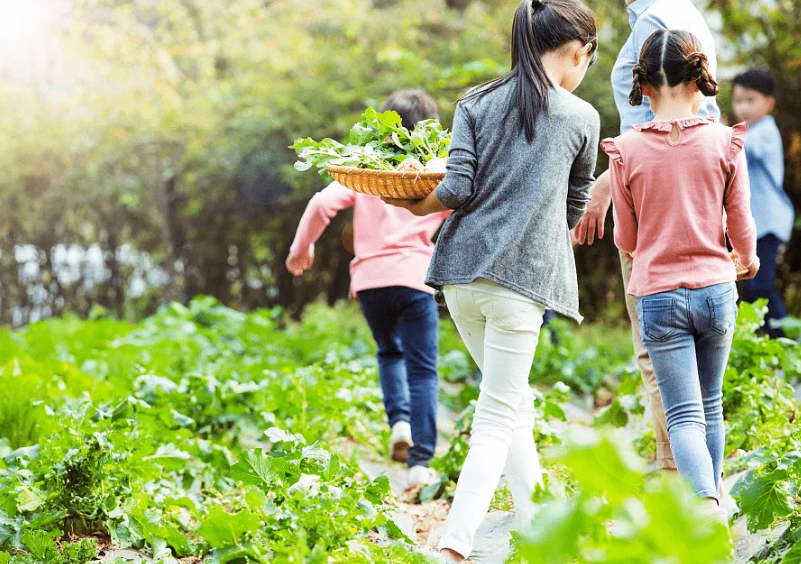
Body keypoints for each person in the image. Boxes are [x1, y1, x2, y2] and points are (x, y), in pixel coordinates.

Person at [383, 1, 600, 560]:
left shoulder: (476, 102)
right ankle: (456, 541)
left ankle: (538, 529)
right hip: (521, 285)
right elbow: (575, 205)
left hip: (459, 277)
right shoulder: (582, 117)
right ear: (579, 51)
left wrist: (415, 206)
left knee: (511, 401)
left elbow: (454, 188)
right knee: (499, 410)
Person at [601, 29, 758, 523]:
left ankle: (706, 503)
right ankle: (714, 497)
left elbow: (625, 238)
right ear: (700, 78)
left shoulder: (626, 150)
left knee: (683, 414)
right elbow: (741, 222)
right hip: (716, 289)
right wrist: (746, 260)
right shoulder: (725, 141)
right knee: (710, 405)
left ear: (643, 88)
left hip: (658, 295)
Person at [573, 0, 721, 477]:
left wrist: (611, 182)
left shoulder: (660, 19)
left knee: (658, 350)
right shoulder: (670, 13)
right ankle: (700, 485)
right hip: (686, 203)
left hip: (658, 202)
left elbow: (664, 121)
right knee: (703, 383)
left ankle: (680, 481)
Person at [285, 90, 448, 488]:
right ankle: (420, 462)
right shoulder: (436, 170)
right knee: (423, 370)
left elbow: (322, 203)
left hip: (371, 281)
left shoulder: (367, 170)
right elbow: (464, 204)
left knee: (389, 353)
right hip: (414, 278)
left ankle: (399, 424)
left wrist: (300, 248)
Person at [732, 68, 793, 338]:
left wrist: (720, 132)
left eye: (750, 100)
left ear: (769, 103)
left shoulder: (765, 131)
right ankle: (769, 342)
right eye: (738, 100)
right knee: (751, 287)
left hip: (767, 223)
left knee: (761, 287)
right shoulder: (746, 131)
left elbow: (746, 148)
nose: (743, 107)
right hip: (752, 224)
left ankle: (785, 341)